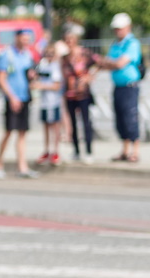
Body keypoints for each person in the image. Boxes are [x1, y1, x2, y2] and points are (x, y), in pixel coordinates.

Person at [95, 13, 142, 163]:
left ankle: (134, 152)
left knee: (130, 118)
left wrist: (108, 62)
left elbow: (119, 64)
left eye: (119, 28)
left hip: (130, 87)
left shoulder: (132, 44)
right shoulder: (115, 44)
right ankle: (125, 150)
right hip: (118, 86)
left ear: (128, 27)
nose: (117, 31)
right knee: (120, 119)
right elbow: (108, 64)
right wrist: (109, 63)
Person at [0, 30, 39, 179]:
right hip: (12, 99)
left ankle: (22, 166)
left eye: (28, 39)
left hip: (24, 97)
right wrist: (12, 97)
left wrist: (32, 76)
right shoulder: (7, 55)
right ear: (17, 38)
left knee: (22, 133)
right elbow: (1, 79)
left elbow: (28, 74)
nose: (26, 41)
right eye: (24, 38)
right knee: (8, 132)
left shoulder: (27, 55)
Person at [62, 25, 97, 164]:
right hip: (70, 94)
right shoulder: (64, 58)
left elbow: (98, 63)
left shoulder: (84, 54)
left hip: (83, 94)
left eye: (71, 39)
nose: (69, 42)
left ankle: (88, 151)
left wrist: (89, 77)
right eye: (67, 40)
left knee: (86, 122)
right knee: (73, 124)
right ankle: (76, 150)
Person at [34, 41, 66, 167]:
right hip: (44, 102)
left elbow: (57, 86)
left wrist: (41, 86)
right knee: (46, 126)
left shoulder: (55, 67)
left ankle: (55, 151)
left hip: (53, 102)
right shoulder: (43, 65)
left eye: (51, 54)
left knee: (55, 127)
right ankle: (47, 150)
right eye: (46, 54)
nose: (48, 56)